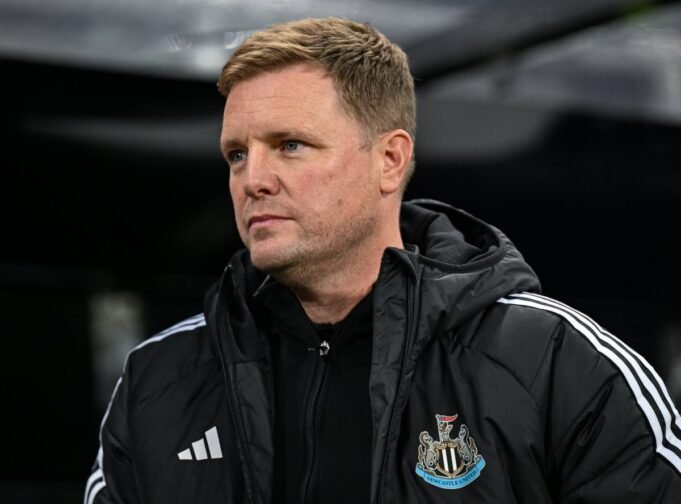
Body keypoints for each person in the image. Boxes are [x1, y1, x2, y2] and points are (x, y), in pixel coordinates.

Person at [84, 17, 681, 504]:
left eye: (290, 145)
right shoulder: (157, 380)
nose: (253, 180)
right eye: (237, 154)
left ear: (390, 160)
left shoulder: (557, 363)